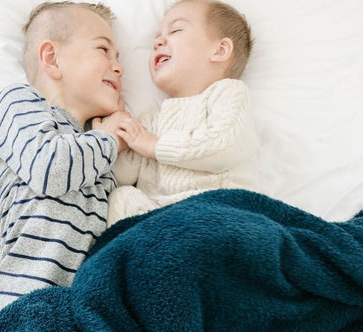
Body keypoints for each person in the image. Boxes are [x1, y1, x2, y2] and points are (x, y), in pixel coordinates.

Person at [0, 2, 126, 319]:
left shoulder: (97, 150)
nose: (119, 67)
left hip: (85, 310)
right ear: (52, 59)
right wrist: (111, 138)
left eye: (119, 58)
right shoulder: (20, 102)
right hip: (24, 301)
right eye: (104, 50)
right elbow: (51, 169)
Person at [94, 0, 259, 226]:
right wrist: (111, 135)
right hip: (165, 225)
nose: (158, 42)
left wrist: (153, 146)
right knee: (122, 198)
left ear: (219, 50)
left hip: (219, 213)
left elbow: (223, 145)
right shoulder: (149, 121)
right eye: (156, 37)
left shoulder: (228, 93)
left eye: (176, 30)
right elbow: (121, 177)